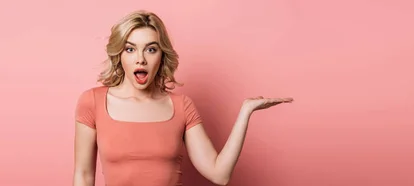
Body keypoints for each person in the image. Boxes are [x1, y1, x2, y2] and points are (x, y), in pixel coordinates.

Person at [72, 10, 293, 186]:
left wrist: (245, 111)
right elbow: (83, 176)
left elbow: (220, 174)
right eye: (130, 49)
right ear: (119, 55)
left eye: (150, 49)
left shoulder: (181, 106)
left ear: (162, 55)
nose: (140, 59)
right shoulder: (92, 102)